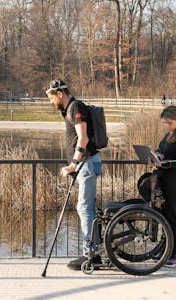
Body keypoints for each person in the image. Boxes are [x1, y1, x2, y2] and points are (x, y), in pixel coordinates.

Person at [45, 79, 102, 270]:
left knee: (84, 208)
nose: (51, 102)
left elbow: (84, 138)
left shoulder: (75, 107)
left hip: (86, 163)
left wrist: (73, 164)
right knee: (87, 209)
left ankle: (90, 255)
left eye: (52, 98)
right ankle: (93, 253)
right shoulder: (69, 108)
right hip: (84, 165)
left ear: (60, 94)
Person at [150, 105, 176, 267]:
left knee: (174, 217)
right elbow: (162, 150)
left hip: (174, 180)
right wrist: (156, 155)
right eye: (165, 123)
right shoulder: (169, 134)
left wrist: (163, 165)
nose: (166, 125)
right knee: (165, 217)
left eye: (169, 122)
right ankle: (166, 249)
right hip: (163, 178)